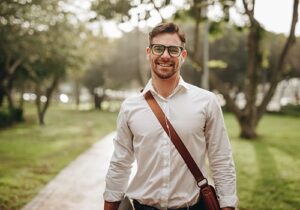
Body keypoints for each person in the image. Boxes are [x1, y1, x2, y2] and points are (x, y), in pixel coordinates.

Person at [103, 22, 238, 210]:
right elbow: (120, 163)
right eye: (158, 48)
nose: (165, 56)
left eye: (173, 50)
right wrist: (109, 205)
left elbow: (221, 160)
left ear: (182, 56)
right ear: (149, 52)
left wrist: (228, 205)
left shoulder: (207, 102)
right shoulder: (130, 107)